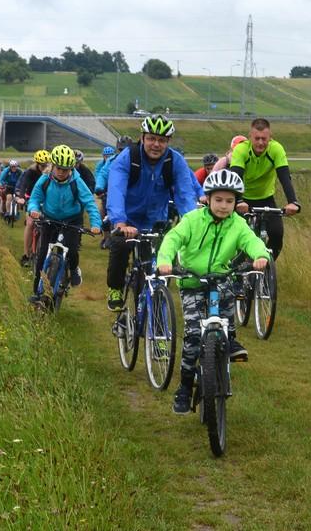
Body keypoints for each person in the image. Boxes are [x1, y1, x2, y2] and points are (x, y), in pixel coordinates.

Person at [156, 169, 270, 415]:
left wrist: (260, 255)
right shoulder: (192, 220)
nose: (223, 206)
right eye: (218, 200)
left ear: (236, 203)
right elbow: (172, 239)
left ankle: (230, 337)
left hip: (221, 278)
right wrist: (165, 260)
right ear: (207, 198)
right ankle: (185, 387)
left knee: (227, 309)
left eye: (229, 201)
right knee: (193, 336)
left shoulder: (238, 224)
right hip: (192, 281)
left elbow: (252, 241)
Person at [105, 114, 203, 311]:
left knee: (156, 268)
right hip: (128, 220)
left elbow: (185, 194)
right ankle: (115, 288)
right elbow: (116, 190)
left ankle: (152, 311)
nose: (156, 144)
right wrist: (120, 222)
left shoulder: (174, 161)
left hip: (156, 221)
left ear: (168, 142)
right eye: (151, 138)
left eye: (162, 140)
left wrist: (192, 223)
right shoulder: (128, 158)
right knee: (120, 247)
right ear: (142, 138)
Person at [27, 145, 101, 304]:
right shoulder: (45, 179)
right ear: (52, 166)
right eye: (58, 168)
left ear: (71, 168)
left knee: (72, 250)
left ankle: (73, 270)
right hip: (50, 218)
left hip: (72, 219)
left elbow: (89, 202)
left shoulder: (77, 182)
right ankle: (36, 292)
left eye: (66, 169)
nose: (61, 172)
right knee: (42, 256)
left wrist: (95, 224)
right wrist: (33, 209)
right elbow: (35, 198)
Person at [229, 119, 300, 259]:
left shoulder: (276, 149)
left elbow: (284, 177)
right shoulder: (241, 149)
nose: (260, 143)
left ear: (270, 138)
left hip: (266, 199)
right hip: (243, 199)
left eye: (264, 139)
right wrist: (239, 200)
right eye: (257, 138)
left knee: (277, 234)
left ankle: (265, 266)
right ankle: (235, 267)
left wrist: (293, 202)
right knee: (237, 237)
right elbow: (235, 177)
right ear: (250, 137)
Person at [15, 150, 51, 266]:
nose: (44, 168)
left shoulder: (51, 173)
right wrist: (21, 198)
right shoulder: (30, 172)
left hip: (46, 201)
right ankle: (26, 254)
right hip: (31, 199)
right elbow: (23, 186)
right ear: (37, 164)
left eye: (46, 165)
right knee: (30, 223)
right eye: (42, 166)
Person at [94, 145, 116, 249]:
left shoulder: (115, 162)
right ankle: (105, 237)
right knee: (101, 213)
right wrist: (99, 189)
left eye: (110, 155)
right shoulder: (100, 165)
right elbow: (99, 176)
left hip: (113, 189)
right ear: (103, 156)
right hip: (103, 191)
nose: (108, 157)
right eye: (106, 156)